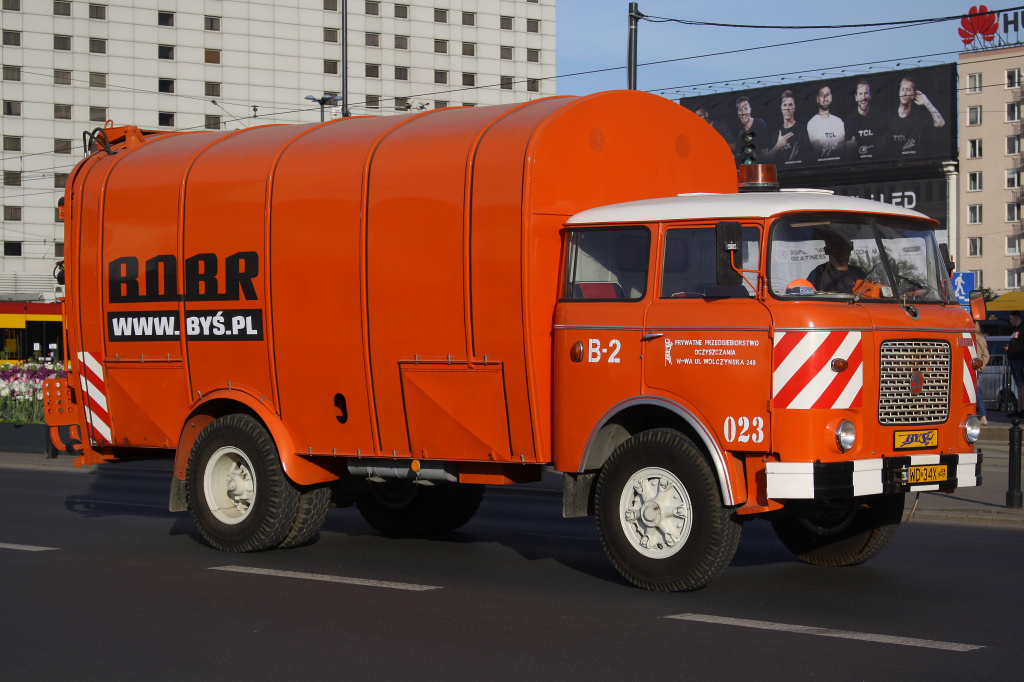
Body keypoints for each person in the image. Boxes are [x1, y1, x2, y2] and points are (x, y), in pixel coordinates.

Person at [890, 75, 945, 157]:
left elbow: (940, 123)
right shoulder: (888, 115)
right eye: (902, 89)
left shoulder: (920, 117)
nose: (904, 93)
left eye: (908, 90)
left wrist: (926, 102)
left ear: (913, 94)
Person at [847, 80, 887, 161]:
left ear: (870, 95)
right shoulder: (850, 120)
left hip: (877, 162)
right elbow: (847, 147)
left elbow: (884, 142)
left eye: (866, 93)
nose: (863, 97)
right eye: (860, 94)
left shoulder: (879, 115)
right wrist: (849, 145)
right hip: (857, 164)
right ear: (856, 97)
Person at [768, 90, 810, 166]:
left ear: (794, 107)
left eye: (790, 105)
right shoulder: (776, 134)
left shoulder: (802, 129)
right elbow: (767, 160)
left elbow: (809, 156)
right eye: (785, 105)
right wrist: (778, 146)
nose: (787, 108)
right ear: (781, 108)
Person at [806, 85, 846, 161]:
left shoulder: (839, 121)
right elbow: (819, 151)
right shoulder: (812, 123)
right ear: (817, 99)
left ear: (831, 97)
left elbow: (842, 149)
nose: (825, 98)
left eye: (827, 94)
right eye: (822, 95)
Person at [734, 96, 768, 164]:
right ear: (738, 113)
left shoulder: (760, 124)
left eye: (745, 108)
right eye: (740, 110)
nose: (743, 113)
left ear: (750, 109)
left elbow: (765, 152)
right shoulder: (740, 135)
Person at [1007, 311, 1024, 417]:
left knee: (1022, 385)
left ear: (1016, 318)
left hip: (1019, 359)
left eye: (1011, 319)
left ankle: (1022, 409)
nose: (1010, 321)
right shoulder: (1015, 330)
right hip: (1013, 359)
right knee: (1018, 385)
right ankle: (1019, 409)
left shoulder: (1022, 329)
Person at [975, 323, 989, 425]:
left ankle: (983, 416)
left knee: (977, 393)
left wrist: (981, 366)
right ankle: (982, 416)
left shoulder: (978, 339)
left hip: (974, 368)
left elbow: (986, 355)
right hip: (975, 368)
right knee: (976, 393)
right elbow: (986, 355)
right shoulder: (980, 338)